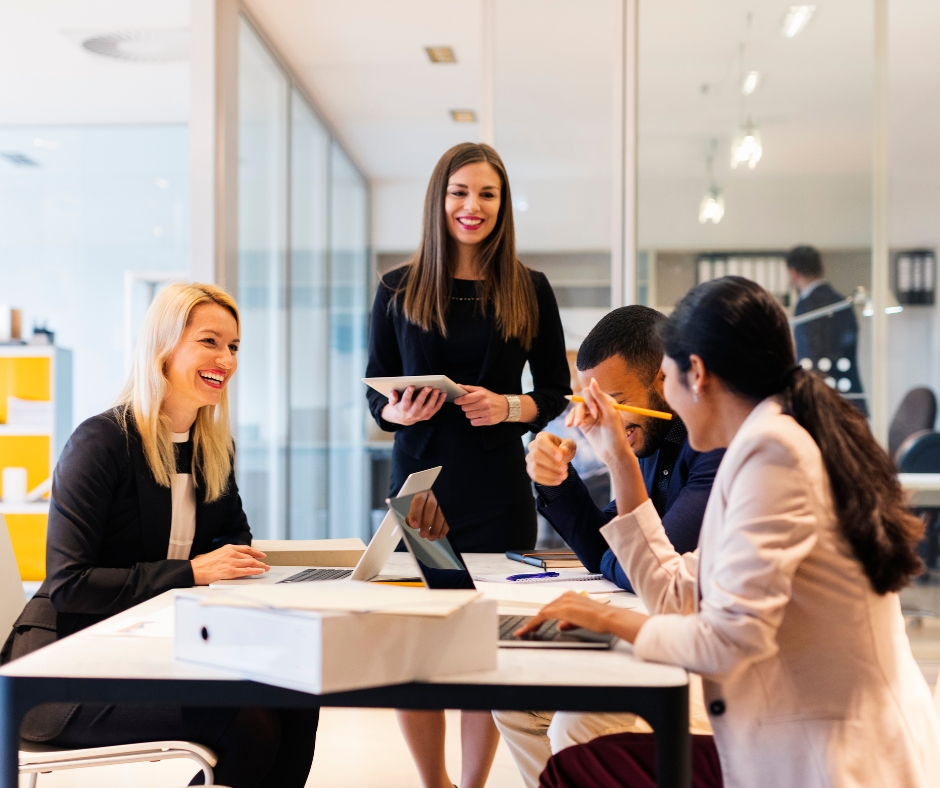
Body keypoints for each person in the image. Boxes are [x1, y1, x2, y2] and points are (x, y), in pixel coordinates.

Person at [520, 276, 940, 788]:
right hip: (803, 728)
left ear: (694, 374)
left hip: (832, 753)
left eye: (666, 379)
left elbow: (726, 640)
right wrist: (622, 464)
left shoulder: (774, 455)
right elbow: (678, 593)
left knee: (577, 760)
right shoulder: (760, 442)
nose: (666, 398)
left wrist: (607, 619)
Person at [1, 283, 320, 788]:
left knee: (298, 698)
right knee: (250, 727)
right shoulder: (100, 442)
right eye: (210, 342)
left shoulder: (212, 448)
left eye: (234, 346)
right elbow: (70, 583)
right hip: (59, 672)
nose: (227, 359)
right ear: (164, 348)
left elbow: (232, 549)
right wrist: (191, 572)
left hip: (145, 652)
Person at [365, 142, 570, 788]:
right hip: (420, 490)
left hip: (496, 490)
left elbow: (557, 393)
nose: (472, 207)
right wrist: (398, 413)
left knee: (484, 647)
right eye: (460, 193)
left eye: (487, 194)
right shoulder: (397, 288)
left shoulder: (529, 289)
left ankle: (471, 786)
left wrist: (509, 407)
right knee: (415, 649)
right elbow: (376, 394)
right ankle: (435, 783)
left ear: (502, 205)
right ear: (439, 199)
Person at [494, 306, 724, 788]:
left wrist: (615, 454)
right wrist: (557, 483)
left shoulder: (714, 447)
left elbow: (642, 569)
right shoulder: (649, 444)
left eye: (613, 399)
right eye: (589, 399)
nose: (595, 415)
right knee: (514, 698)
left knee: (574, 721)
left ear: (666, 381)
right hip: (677, 634)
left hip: (716, 663)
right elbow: (614, 551)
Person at [787, 244, 867, 415]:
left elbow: (813, 356)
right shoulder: (840, 301)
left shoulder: (807, 305)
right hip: (848, 395)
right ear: (822, 268)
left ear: (793, 273)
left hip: (825, 403)